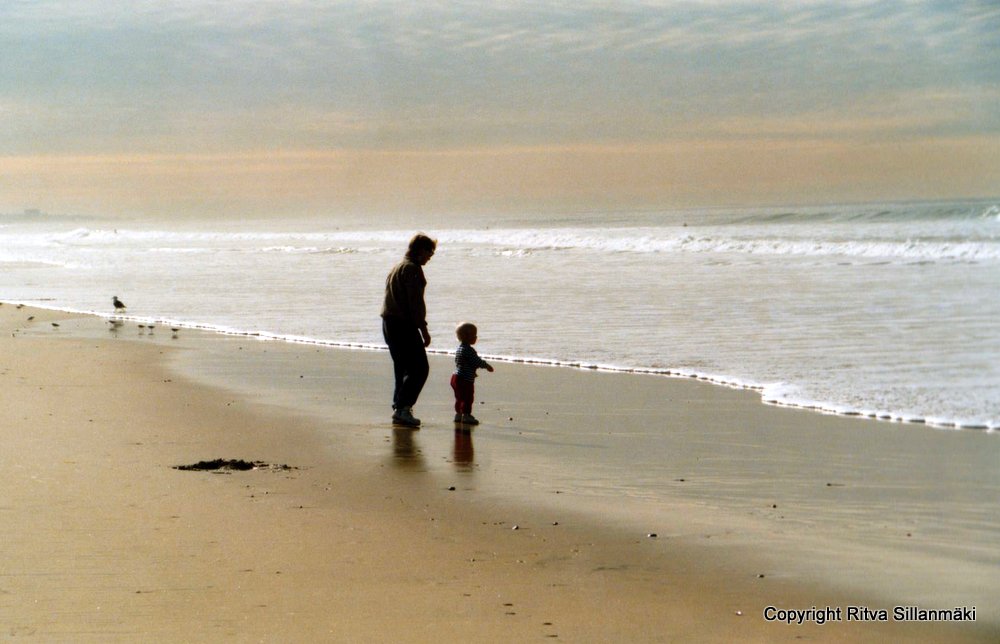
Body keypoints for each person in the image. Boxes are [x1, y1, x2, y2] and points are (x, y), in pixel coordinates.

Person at [381, 233, 436, 427]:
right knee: (420, 369)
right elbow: (415, 304)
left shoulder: (397, 267)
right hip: (403, 324)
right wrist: (424, 330)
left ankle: (399, 408)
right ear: (420, 250)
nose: (430, 257)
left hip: (388, 322)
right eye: (429, 252)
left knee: (403, 368)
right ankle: (403, 408)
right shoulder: (413, 269)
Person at [451, 322, 493, 425]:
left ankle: (458, 414)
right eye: (474, 335)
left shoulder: (460, 349)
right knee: (468, 398)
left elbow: (460, 362)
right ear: (466, 337)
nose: (476, 337)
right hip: (464, 379)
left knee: (459, 397)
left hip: (456, 377)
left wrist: (472, 371)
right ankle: (466, 415)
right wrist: (486, 366)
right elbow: (476, 361)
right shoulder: (469, 350)